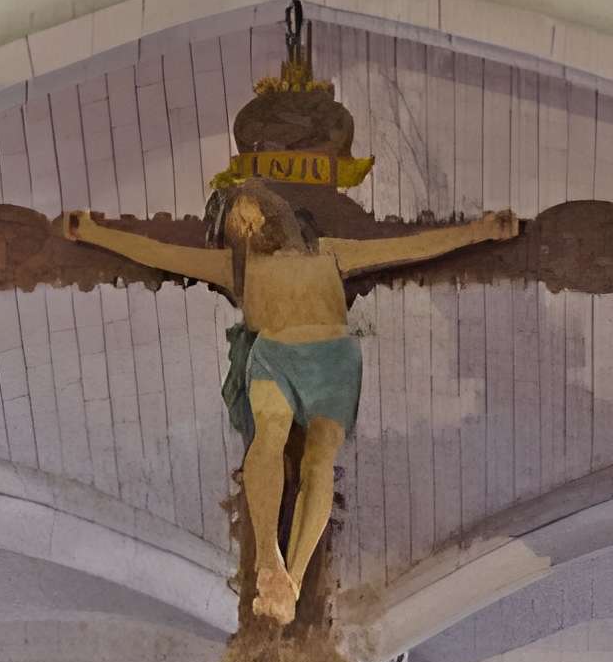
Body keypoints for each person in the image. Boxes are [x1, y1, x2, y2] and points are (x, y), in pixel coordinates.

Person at [62, 184, 515, 621]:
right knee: (268, 438)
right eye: (236, 224)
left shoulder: (329, 253)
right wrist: (95, 234)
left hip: (333, 361)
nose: (245, 227)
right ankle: (267, 561)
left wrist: (481, 231)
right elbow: (160, 254)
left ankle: (291, 580)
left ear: (273, 211)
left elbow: (410, 247)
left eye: (250, 214)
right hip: (275, 355)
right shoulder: (237, 270)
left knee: (319, 460)